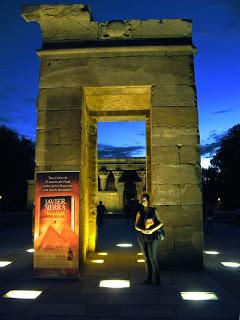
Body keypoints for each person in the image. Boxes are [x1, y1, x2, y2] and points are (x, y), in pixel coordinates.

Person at [135, 193, 163, 286]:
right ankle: (149, 278)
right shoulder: (139, 212)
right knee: (146, 259)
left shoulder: (154, 210)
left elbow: (161, 223)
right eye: (142, 200)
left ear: (148, 200)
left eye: (145, 200)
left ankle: (157, 279)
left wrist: (152, 230)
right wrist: (142, 230)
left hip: (153, 237)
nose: (143, 202)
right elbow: (136, 225)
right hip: (142, 237)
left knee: (153, 258)